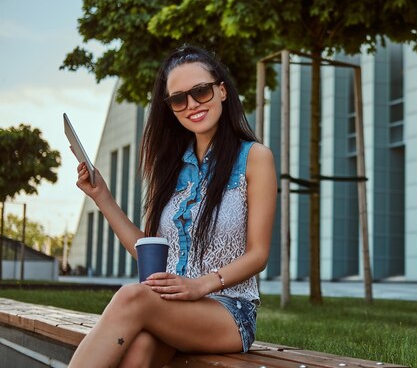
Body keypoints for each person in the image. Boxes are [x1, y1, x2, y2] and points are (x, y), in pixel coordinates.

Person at [68, 45, 277, 368]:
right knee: (138, 352)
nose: (191, 104)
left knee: (131, 296)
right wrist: (102, 197)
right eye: (179, 99)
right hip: (169, 307)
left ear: (222, 91)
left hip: (229, 311)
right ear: (171, 109)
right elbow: (148, 252)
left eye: (201, 91)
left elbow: (258, 254)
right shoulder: (169, 168)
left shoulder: (255, 158)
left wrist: (200, 286)